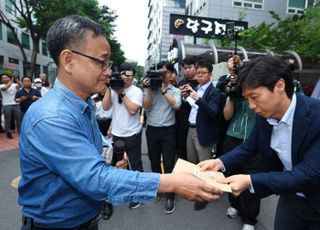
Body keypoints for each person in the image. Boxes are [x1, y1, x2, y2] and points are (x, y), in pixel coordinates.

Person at [18, 15, 222, 230]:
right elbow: (95, 179)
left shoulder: (82, 104)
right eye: (101, 62)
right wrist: (170, 182)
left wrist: (110, 151)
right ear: (68, 60)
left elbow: (93, 147)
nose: (108, 71)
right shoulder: (52, 117)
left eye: (109, 63)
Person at [199, 55, 320, 230]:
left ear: (279, 85)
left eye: (254, 97)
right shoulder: (265, 115)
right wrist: (219, 162)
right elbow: (249, 147)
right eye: (247, 99)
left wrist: (250, 180)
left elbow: (307, 174)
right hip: (290, 199)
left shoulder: (316, 117)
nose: (251, 106)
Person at [220, 56, 262, 230]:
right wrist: (230, 95)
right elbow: (227, 116)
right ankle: (234, 205)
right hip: (233, 136)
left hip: (254, 138)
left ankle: (250, 219)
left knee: (251, 179)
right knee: (231, 173)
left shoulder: (260, 90)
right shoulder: (236, 88)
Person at [102, 62, 144, 210]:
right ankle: (124, 189)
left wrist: (121, 93)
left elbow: (133, 110)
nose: (126, 78)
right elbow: (105, 107)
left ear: (133, 76)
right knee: (118, 163)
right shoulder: (113, 89)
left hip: (132, 133)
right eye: (123, 74)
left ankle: (139, 194)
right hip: (117, 133)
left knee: (135, 163)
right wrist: (109, 88)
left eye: (129, 75)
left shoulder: (137, 91)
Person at [182, 59, 222, 211]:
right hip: (191, 128)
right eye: (198, 73)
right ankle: (196, 189)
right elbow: (191, 108)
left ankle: (206, 194)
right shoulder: (195, 88)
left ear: (210, 75)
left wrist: (197, 98)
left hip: (203, 131)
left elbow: (212, 112)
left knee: (205, 164)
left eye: (203, 73)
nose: (199, 76)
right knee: (192, 161)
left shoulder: (215, 92)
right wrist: (186, 97)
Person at [143, 61, 181, 214]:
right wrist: (151, 90)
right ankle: (157, 189)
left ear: (171, 75)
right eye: (159, 72)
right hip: (152, 130)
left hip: (168, 131)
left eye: (164, 73)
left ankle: (170, 196)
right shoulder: (150, 89)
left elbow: (176, 105)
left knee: (169, 163)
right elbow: (146, 107)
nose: (161, 75)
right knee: (154, 162)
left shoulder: (175, 90)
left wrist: (163, 90)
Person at [177, 56, 199, 160]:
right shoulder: (181, 83)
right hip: (183, 120)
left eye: (190, 67)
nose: (187, 70)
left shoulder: (200, 83)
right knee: (182, 148)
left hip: (196, 121)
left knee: (196, 151)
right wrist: (181, 95)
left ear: (195, 67)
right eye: (185, 68)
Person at [0, 74, 21, 139]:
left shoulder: (14, 85)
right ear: (1, 80)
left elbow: (20, 86)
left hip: (16, 104)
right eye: (3, 78)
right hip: (6, 104)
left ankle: (20, 132)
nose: (5, 79)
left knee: (18, 119)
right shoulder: (1, 86)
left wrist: (16, 79)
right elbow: (6, 88)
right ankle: (8, 133)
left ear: (9, 78)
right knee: (7, 120)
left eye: (6, 77)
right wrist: (12, 79)